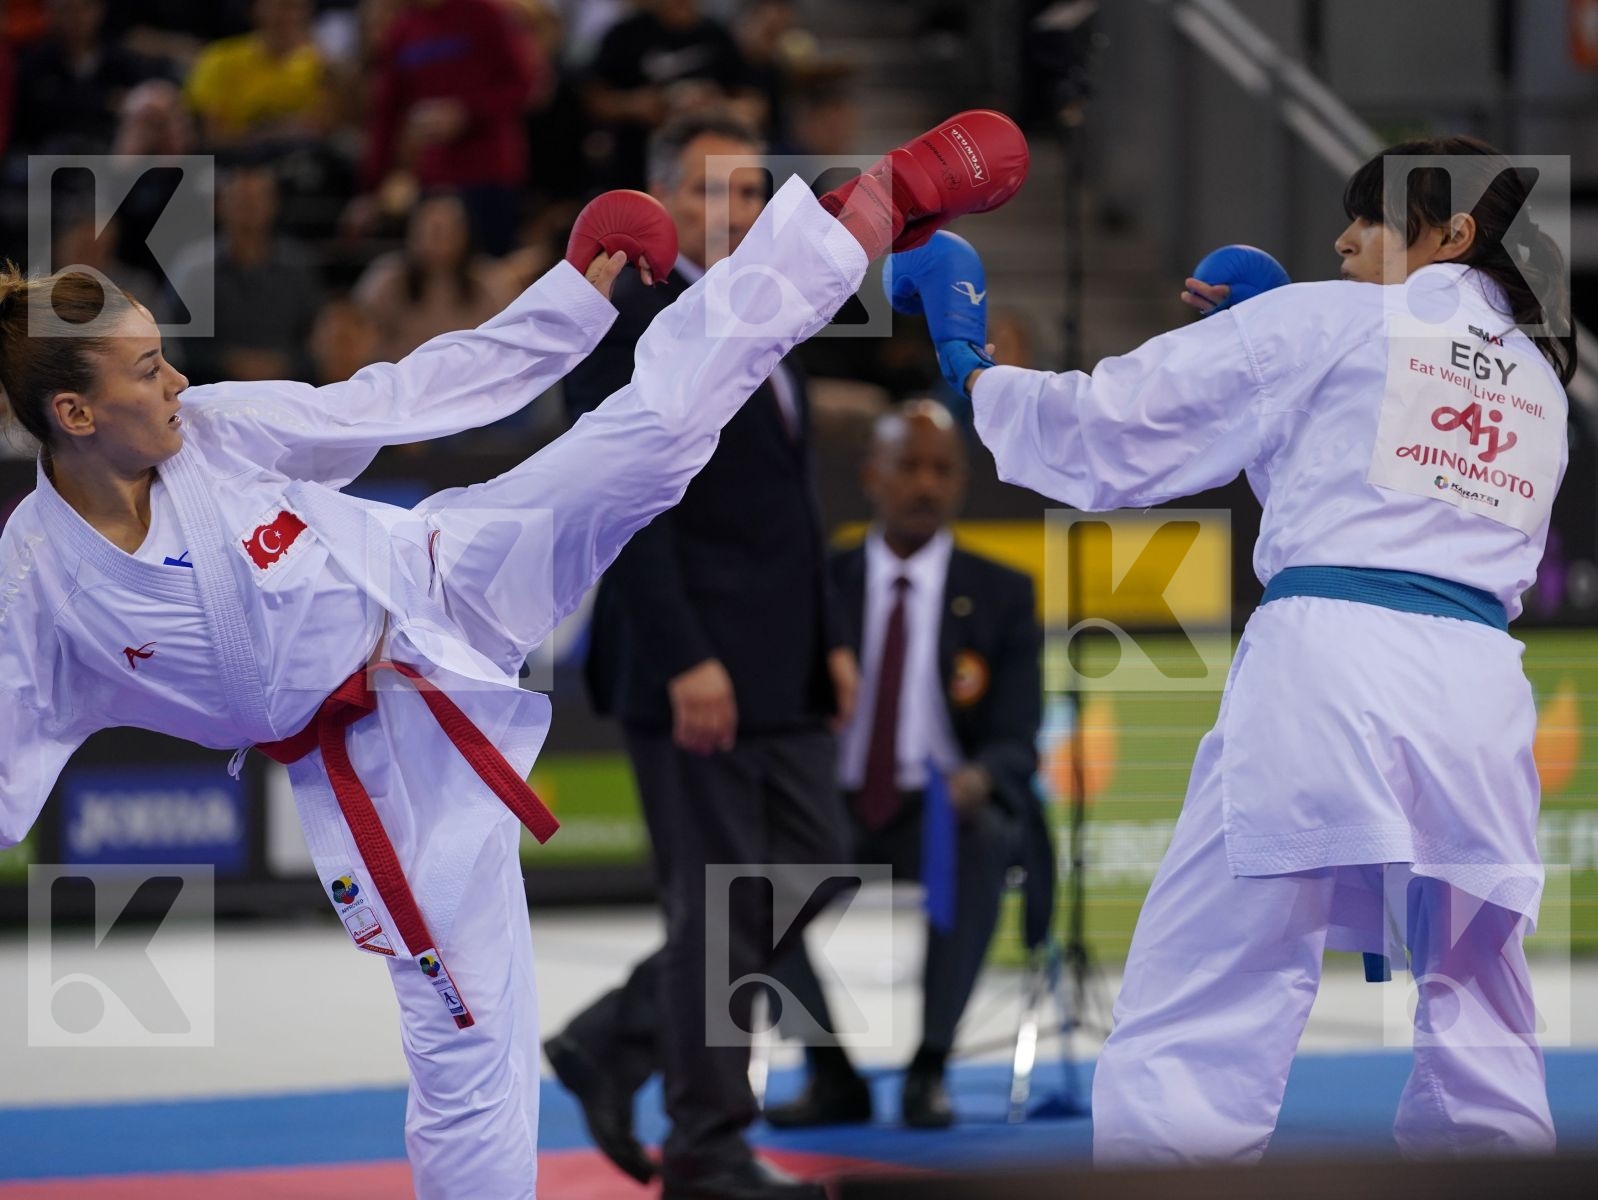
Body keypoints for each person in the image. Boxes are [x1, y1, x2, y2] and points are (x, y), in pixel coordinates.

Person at [0, 110, 1030, 1199]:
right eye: (150, 371)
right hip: (384, 766)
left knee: (656, 433)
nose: (175, 384)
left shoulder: (210, 431)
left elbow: (394, 400)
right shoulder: (37, 590)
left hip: (446, 569)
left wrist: (572, 298)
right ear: (74, 412)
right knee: (465, 1033)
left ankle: (856, 216)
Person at [891, 134, 1573, 1162]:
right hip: (1476, 694)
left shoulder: (1335, 320)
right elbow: (1349, 490)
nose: (1341, 239)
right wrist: (1275, 337)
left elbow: (1118, 425)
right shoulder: (1540, 384)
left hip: (1329, 669)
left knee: (1212, 984)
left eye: (1368, 220)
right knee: (1481, 1005)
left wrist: (974, 372)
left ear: (1453, 235)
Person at [545, 111, 859, 1198]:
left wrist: (829, 642)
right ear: (657, 203)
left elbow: (787, 502)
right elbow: (614, 507)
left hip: (781, 663)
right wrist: (683, 657)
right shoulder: (625, 313)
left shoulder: (760, 315)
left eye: (742, 195)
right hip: (691, 665)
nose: (722, 214)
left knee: (813, 863)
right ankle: (706, 1146)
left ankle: (611, 1035)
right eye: (699, 193)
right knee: (722, 903)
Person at [763, 400, 1048, 1131]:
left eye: (942, 470)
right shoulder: (823, 579)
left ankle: (931, 1067)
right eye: (909, 467)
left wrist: (979, 777)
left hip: (943, 806)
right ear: (871, 477)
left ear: (960, 485)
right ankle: (830, 1074)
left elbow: (1018, 735)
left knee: (984, 836)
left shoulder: (1003, 592)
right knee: (744, 880)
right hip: (835, 801)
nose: (926, 484)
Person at [166, 164, 324, 384]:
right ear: (218, 204)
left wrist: (285, 363)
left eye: (259, 197)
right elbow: (175, 341)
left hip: (286, 388)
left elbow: (315, 334)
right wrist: (228, 361)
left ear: (274, 204)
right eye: (240, 198)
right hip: (209, 387)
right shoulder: (193, 268)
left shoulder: (299, 264)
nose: (250, 206)